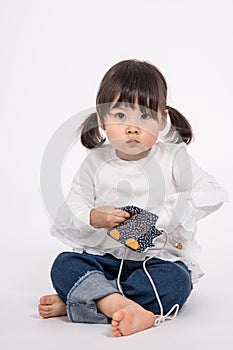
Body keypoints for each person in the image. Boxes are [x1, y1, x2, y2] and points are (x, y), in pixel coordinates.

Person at [38, 59, 227, 337]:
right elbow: (70, 211)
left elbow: (212, 192)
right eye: (121, 116)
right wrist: (94, 217)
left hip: (154, 261)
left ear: (162, 120)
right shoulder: (94, 162)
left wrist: (162, 215)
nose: (132, 128)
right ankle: (120, 305)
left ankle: (88, 301)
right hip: (103, 260)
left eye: (145, 117)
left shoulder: (173, 157)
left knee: (176, 282)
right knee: (64, 265)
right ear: (102, 119)